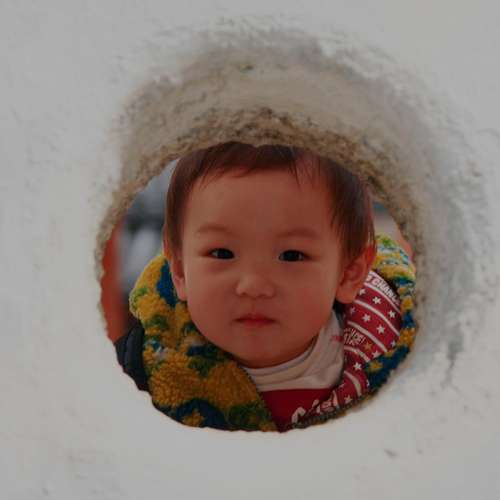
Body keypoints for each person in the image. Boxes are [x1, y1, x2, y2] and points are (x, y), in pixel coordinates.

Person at [115, 142, 416, 432]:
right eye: (222, 253)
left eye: (292, 256)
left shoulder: (399, 359)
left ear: (348, 274)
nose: (253, 286)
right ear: (179, 270)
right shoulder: (137, 380)